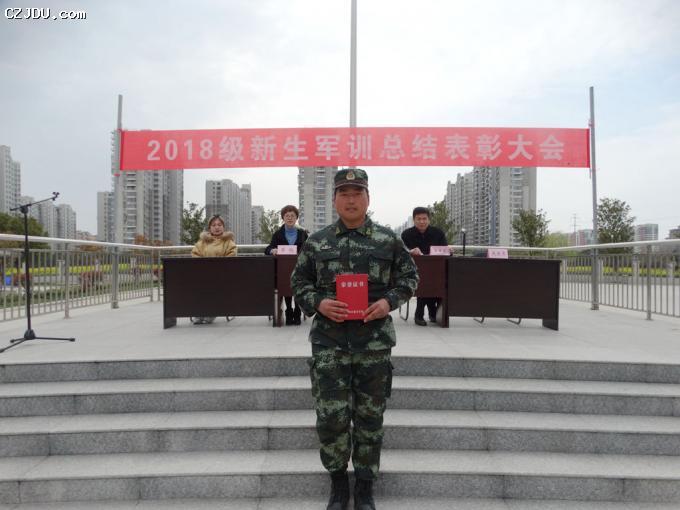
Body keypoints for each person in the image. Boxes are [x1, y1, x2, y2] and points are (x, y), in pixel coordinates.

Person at [291, 168, 418, 510]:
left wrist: (387, 302)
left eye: (357, 193)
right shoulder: (317, 242)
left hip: (373, 344)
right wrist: (318, 302)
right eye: (344, 194)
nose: (351, 200)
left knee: (370, 416)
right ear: (334, 200)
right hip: (329, 343)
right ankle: (337, 483)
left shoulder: (388, 240)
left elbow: (409, 278)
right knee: (330, 417)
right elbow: (298, 282)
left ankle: (364, 485)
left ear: (368, 198)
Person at [400, 206, 448, 326]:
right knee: (425, 279)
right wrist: (410, 251)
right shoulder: (406, 234)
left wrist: (449, 251)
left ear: (429, 219)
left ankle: (422, 313)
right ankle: (430, 312)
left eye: (424, 219)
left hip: (435, 270)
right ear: (414, 220)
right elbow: (401, 252)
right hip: (412, 270)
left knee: (432, 279)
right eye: (419, 219)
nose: (422, 222)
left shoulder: (438, 233)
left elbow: (444, 251)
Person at [264, 205, 309, 325]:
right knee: (285, 283)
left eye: (292, 216)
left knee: (298, 285)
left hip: (299, 269)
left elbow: (309, 249)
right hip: (283, 270)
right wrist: (272, 250)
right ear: (283, 218)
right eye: (287, 216)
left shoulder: (302, 234)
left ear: (296, 218)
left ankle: (297, 312)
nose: (290, 218)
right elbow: (267, 249)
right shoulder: (278, 234)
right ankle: (289, 311)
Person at [190, 214, 237, 324]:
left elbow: (231, 256)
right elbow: (195, 254)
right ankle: (199, 313)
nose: (217, 227)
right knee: (199, 285)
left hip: (222, 275)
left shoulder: (229, 242)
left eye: (219, 225)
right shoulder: (202, 242)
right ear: (209, 228)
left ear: (223, 227)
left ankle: (211, 312)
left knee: (214, 285)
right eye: (214, 225)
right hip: (203, 274)